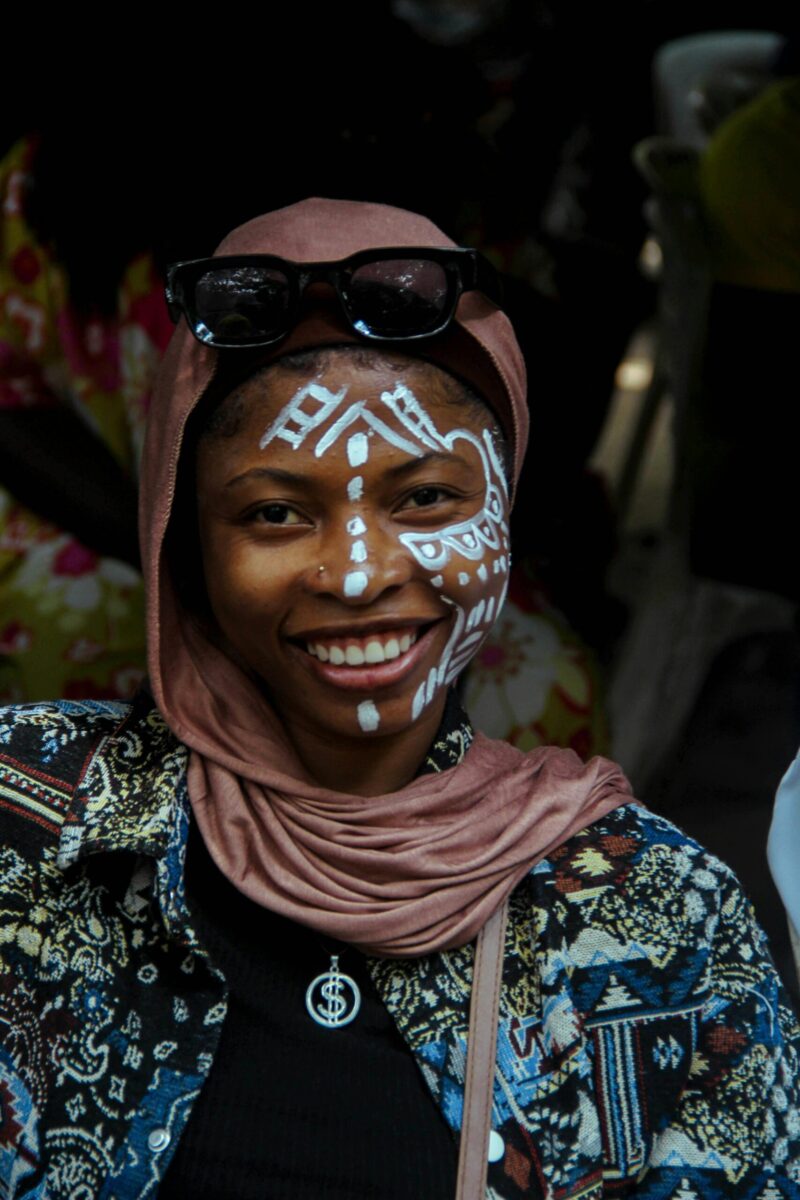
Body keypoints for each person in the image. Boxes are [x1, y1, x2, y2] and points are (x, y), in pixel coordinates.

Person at [0, 198, 797, 1200]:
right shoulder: (28, 818)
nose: (356, 573)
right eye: (276, 512)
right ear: (185, 548)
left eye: (424, 499)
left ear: (504, 513)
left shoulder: (656, 915)